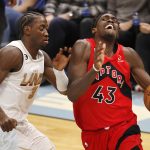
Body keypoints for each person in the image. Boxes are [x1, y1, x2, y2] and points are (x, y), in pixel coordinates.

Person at [67, 13, 150, 150]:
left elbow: (148, 85)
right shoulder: (83, 47)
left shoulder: (129, 54)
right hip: (93, 133)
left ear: (118, 29)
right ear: (94, 29)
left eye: (115, 20)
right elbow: (72, 94)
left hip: (124, 127)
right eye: (105, 19)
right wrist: (94, 69)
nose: (111, 20)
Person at [0, 11, 70, 150]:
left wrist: (60, 71)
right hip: (3, 123)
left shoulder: (43, 57)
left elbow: (64, 90)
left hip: (19, 123)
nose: (46, 33)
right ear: (27, 30)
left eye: (47, 29)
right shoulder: (12, 53)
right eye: (41, 28)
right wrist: (2, 117)